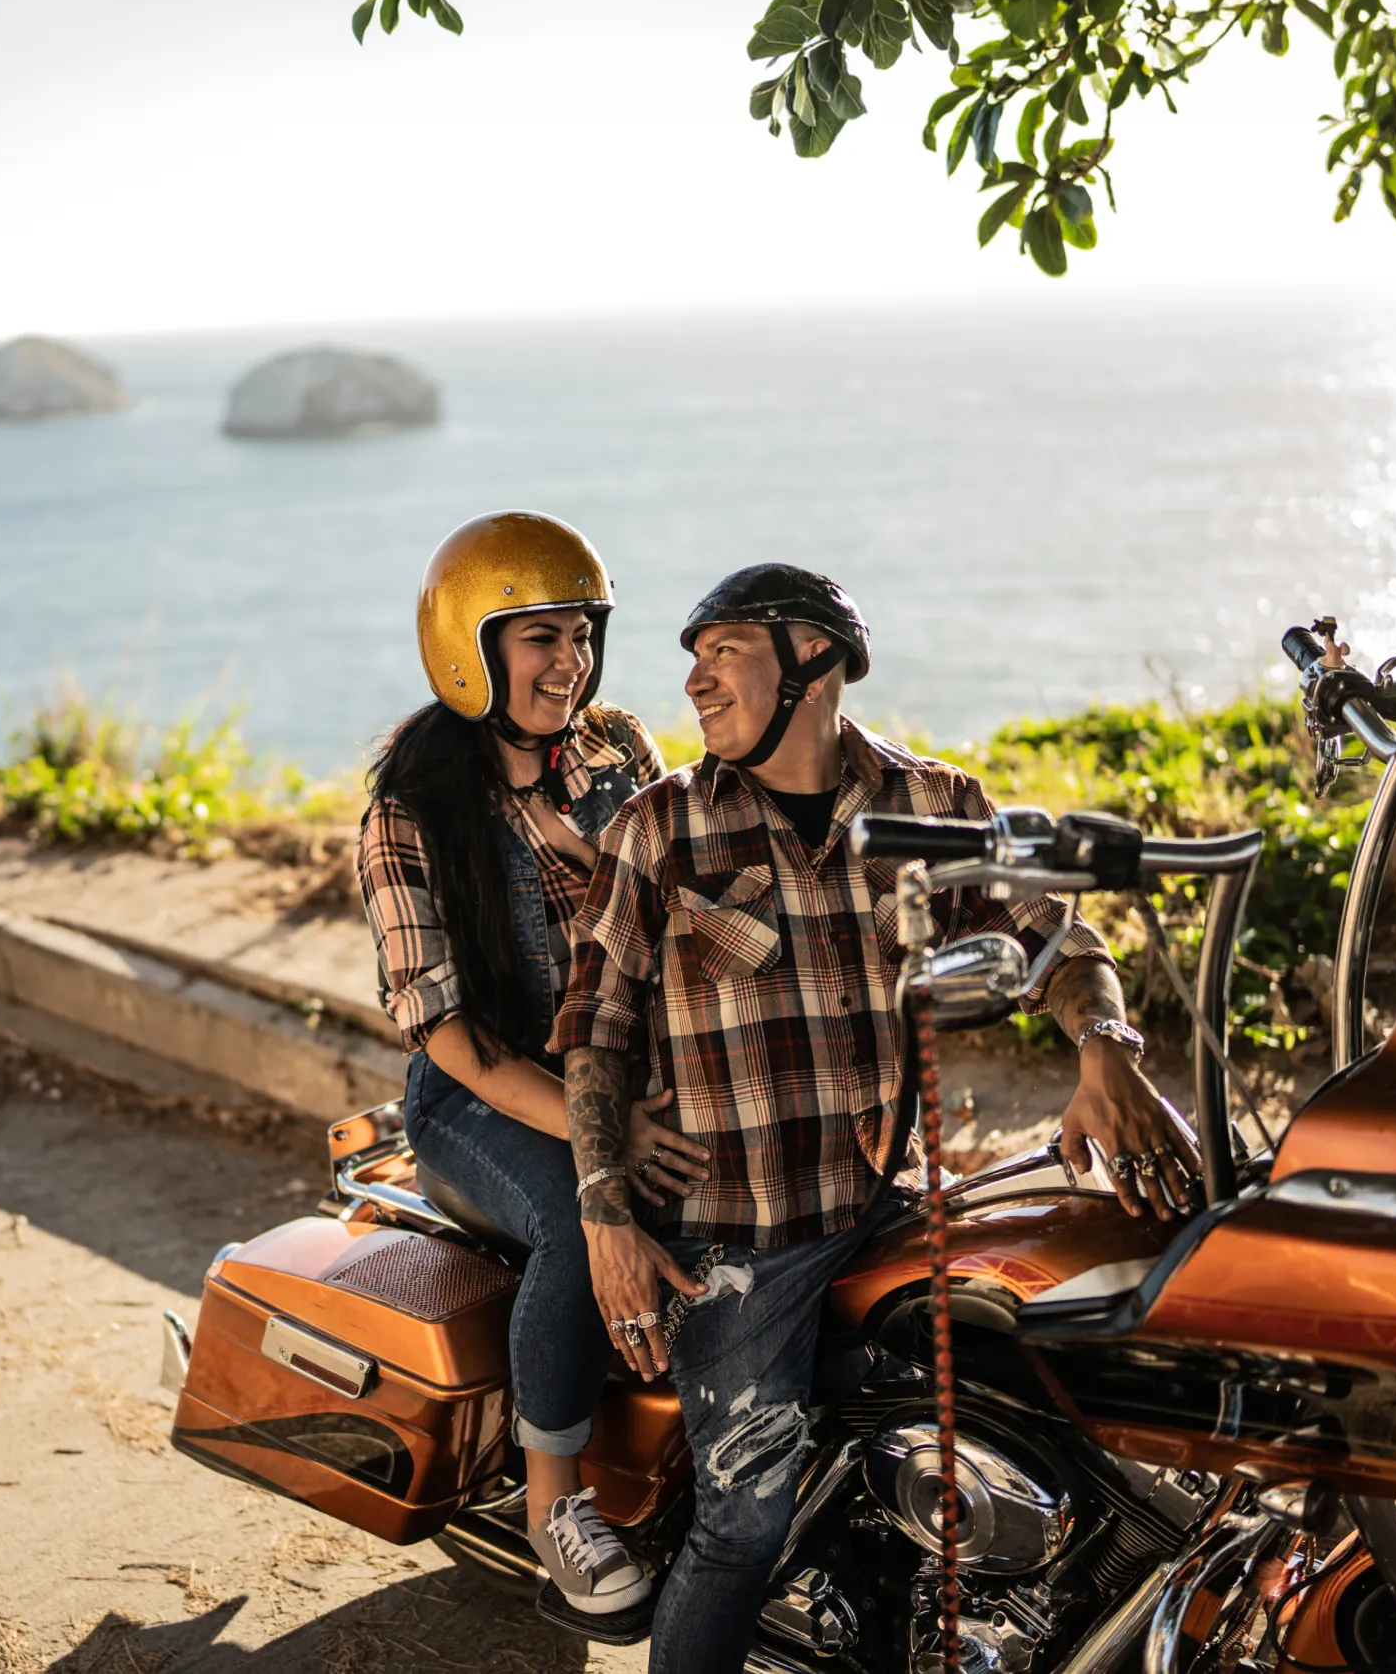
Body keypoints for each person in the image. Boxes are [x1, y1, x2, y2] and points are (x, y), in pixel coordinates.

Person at [550, 562, 1199, 1672]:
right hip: (735, 1240)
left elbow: (1060, 943)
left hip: (884, 1205)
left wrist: (1105, 1048)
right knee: (740, 1523)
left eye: (724, 650)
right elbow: (595, 1031)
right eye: (693, 658)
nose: (696, 678)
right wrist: (608, 1215)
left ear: (813, 658)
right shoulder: (664, 829)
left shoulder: (936, 808)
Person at [356, 509, 710, 1617]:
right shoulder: (410, 812)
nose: (573, 663)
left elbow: (690, 901)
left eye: (584, 634)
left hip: (625, 1068)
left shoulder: (619, 751)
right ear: (475, 650)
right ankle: (554, 1500)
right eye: (541, 638)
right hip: (477, 1098)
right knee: (576, 1204)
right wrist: (606, 1132)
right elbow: (449, 1038)